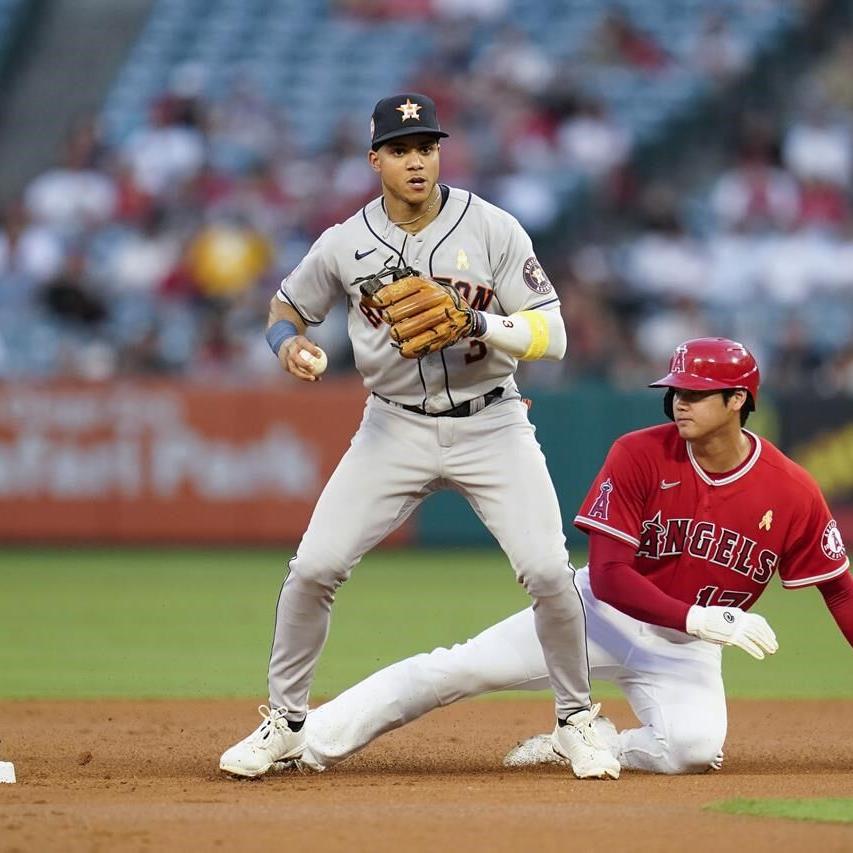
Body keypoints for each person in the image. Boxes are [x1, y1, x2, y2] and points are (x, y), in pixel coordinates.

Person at [219, 93, 619, 780]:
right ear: (375, 158)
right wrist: (289, 346)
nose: (416, 160)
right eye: (401, 149)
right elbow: (286, 308)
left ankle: (576, 719)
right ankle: (284, 724)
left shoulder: (492, 228)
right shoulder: (345, 241)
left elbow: (551, 332)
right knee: (314, 567)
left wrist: (479, 325)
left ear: (440, 153)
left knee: (550, 572)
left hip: (491, 419)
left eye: (426, 146)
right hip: (392, 425)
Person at [254, 337, 852, 776]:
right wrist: (701, 617)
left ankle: (592, 741)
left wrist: (697, 628)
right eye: (675, 391)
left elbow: (840, 590)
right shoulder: (640, 453)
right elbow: (613, 577)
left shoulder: (790, 489)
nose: (678, 402)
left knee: (694, 752)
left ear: (738, 399)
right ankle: (307, 741)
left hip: (686, 650)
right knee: (459, 669)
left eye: (695, 394)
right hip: (596, 616)